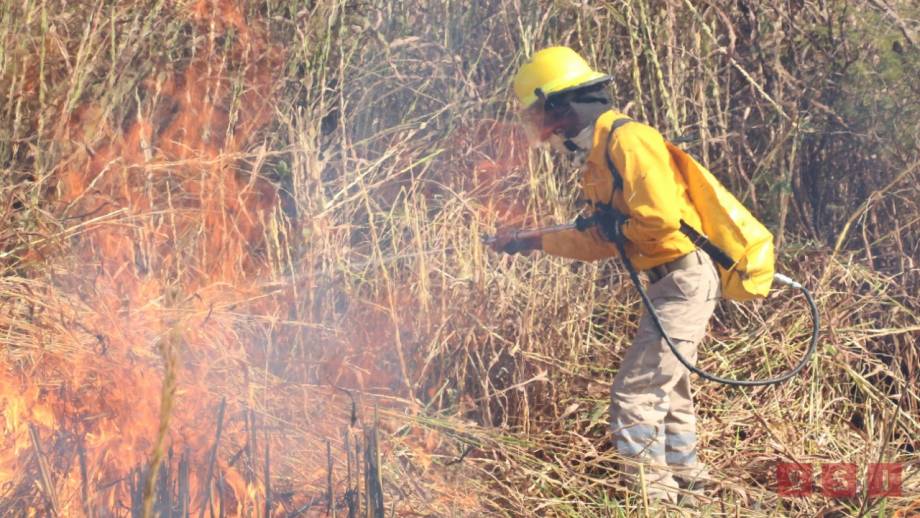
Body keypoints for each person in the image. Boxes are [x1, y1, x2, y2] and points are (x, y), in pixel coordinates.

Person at [490, 46, 719, 504]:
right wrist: (532, 241)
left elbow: (657, 222)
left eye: (540, 114)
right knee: (668, 392)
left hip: (683, 279)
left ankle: (652, 501)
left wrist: (619, 225)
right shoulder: (600, 154)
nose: (543, 128)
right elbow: (600, 242)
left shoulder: (628, 142)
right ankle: (692, 489)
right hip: (667, 282)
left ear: (560, 104)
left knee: (635, 395)